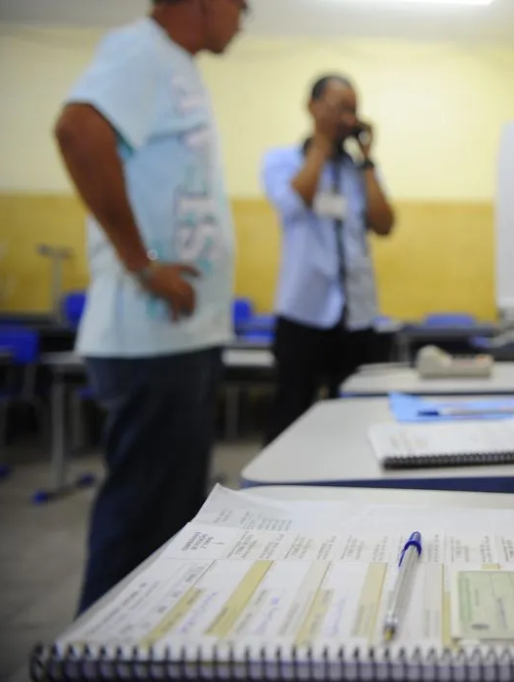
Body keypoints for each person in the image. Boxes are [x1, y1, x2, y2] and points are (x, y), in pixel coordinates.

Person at [54, 0, 246, 613]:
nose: (243, 18)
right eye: (241, 5)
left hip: (181, 337)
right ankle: (100, 655)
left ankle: (148, 644)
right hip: (150, 337)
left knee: (170, 523)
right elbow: (78, 130)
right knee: (141, 519)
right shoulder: (142, 49)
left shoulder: (177, 65)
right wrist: (141, 263)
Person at [262, 74, 396, 445]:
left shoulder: (359, 171)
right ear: (312, 106)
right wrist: (320, 144)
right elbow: (293, 201)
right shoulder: (281, 160)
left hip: (357, 313)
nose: (347, 119)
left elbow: (384, 224)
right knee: (290, 413)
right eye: (338, 107)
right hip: (303, 310)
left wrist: (367, 161)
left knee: (355, 418)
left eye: (352, 110)